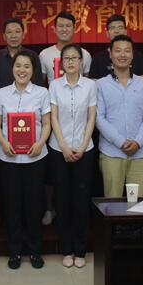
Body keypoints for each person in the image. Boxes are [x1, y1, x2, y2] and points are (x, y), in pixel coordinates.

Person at [0, 51, 52, 270]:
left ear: (33, 70)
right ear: (12, 69)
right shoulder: (1, 94)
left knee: (34, 205)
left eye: (27, 66)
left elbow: (46, 123)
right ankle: (15, 251)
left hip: (35, 157)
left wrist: (40, 142)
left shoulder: (42, 93)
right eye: (18, 66)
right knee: (12, 206)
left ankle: (35, 251)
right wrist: (3, 142)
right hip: (8, 157)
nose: (22, 70)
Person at [47, 44, 97, 269]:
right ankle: (66, 249)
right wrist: (64, 146)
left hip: (85, 149)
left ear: (81, 62)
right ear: (61, 62)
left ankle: (80, 249)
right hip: (59, 150)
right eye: (66, 58)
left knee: (81, 200)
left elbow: (91, 117)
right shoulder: (54, 85)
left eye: (74, 58)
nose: (70, 62)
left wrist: (83, 145)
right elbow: (54, 118)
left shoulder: (90, 85)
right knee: (62, 200)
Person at [96, 35, 143, 199]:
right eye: (118, 51)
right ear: (110, 54)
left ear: (132, 54)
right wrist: (120, 142)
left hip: (139, 154)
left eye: (127, 50)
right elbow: (99, 118)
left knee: (137, 202)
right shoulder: (101, 84)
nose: (122, 54)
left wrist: (137, 142)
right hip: (111, 153)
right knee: (112, 202)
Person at [39, 12, 91, 84]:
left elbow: (87, 84)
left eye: (68, 26)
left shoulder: (84, 54)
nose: (64, 29)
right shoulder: (44, 54)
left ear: (74, 28)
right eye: (61, 26)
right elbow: (41, 85)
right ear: (54, 29)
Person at [0, 17, 44, 89]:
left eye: (17, 31)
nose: (13, 36)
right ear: (4, 36)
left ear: (23, 35)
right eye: (9, 32)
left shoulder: (33, 56)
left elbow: (39, 83)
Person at [89, 14, 143, 79]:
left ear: (126, 32)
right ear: (107, 33)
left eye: (120, 28)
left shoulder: (138, 56)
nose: (116, 31)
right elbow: (94, 82)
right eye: (112, 28)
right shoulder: (97, 58)